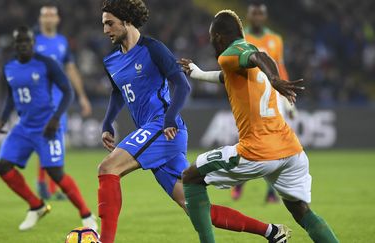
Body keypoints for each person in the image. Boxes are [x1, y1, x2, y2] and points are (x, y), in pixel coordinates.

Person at [98, 1, 290, 243]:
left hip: (163, 127)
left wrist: (169, 118)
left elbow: (182, 84)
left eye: (110, 23)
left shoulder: (153, 49)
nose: (105, 30)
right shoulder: (111, 61)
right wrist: (107, 122)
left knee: (107, 168)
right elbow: (118, 92)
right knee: (198, 209)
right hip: (156, 133)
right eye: (103, 24)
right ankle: (272, 232)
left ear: (126, 21)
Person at [180, 10, 339, 243]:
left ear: (219, 37)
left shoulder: (234, 52)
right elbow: (230, 76)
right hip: (291, 150)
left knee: (191, 176)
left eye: (212, 37)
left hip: (258, 151)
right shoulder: (236, 64)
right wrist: (199, 74)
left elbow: (259, 56)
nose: (212, 42)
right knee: (301, 211)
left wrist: (275, 78)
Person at [0, 26, 97, 231]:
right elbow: (11, 96)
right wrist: (3, 118)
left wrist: (56, 118)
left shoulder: (46, 63)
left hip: (47, 126)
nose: (23, 45)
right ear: (15, 45)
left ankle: (86, 214)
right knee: (2, 166)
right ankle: (36, 205)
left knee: (56, 173)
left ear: (33, 43)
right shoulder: (9, 67)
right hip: (24, 127)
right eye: (19, 42)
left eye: (27, 42)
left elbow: (68, 92)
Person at [231, 0, 297, 202]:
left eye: (261, 13)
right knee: (250, 143)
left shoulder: (275, 39)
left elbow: (280, 67)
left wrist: (287, 94)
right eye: (254, 13)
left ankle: (270, 192)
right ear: (249, 16)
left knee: (274, 145)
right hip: (249, 98)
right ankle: (239, 182)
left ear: (264, 16)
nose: (257, 17)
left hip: (273, 97)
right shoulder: (242, 38)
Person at [35, 4, 93, 200]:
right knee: (45, 138)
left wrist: (82, 96)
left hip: (60, 99)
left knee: (57, 141)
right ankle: (43, 183)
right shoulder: (33, 41)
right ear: (40, 19)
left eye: (52, 15)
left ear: (58, 19)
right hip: (40, 99)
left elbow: (71, 69)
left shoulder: (62, 42)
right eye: (46, 15)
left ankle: (54, 186)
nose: (49, 18)